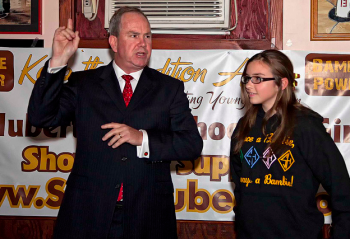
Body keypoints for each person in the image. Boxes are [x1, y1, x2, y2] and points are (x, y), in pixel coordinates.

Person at [28, 7, 203, 239]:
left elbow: (191, 145)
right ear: (113, 42)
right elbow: (41, 118)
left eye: (147, 36)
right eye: (134, 35)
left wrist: (142, 138)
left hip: (148, 216)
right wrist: (59, 60)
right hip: (89, 214)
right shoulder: (84, 84)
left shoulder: (169, 88)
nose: (143, 43)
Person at [230, 49, 350, 239]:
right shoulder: (245, 125)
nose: (249, 85)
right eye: (247, 79)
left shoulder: (305, 125)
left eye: (258, 79)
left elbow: (341, 188)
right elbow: (239, 180)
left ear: (282, 83)